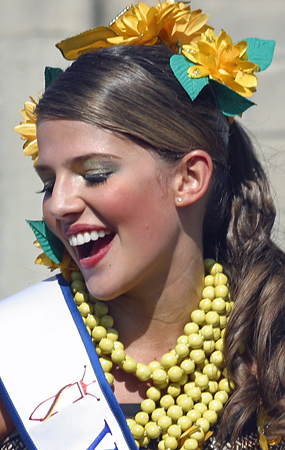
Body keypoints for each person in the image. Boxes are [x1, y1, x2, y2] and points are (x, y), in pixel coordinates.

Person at [0, 2, 284, 450]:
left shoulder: (273, 359)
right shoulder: (18, 361)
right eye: (48, 182)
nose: (58, 204)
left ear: (188, 178)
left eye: (94, 174)